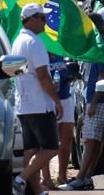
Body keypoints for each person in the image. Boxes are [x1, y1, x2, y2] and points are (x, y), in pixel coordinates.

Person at [61, 14, 104, 191]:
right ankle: (86, 177)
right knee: (96, 142)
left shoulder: (101, 46)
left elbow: (103, 76)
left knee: (90, 141)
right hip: (99, 99)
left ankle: (80, 177)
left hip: (98, 100)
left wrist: (93, 104)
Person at [11, 3, 63, 195]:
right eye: (42, 17)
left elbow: (17, 73)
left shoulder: (17, 42)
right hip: (39, 104)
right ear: (31, 19)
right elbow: (42, 76)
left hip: (24, 104)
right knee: (51, 148)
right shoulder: (34, 42)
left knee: (31, 149)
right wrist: (56, 100)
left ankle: (34, 190)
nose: (45, 21)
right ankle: (21, 179)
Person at [40, 52, 75, 189]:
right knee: (48, 142)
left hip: (66, 98)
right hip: (49, 100)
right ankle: (46, 179)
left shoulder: (62, 52)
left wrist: (69, 77)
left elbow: (68, 72)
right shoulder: (41, 54)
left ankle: (62, 176)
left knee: (66, 140)